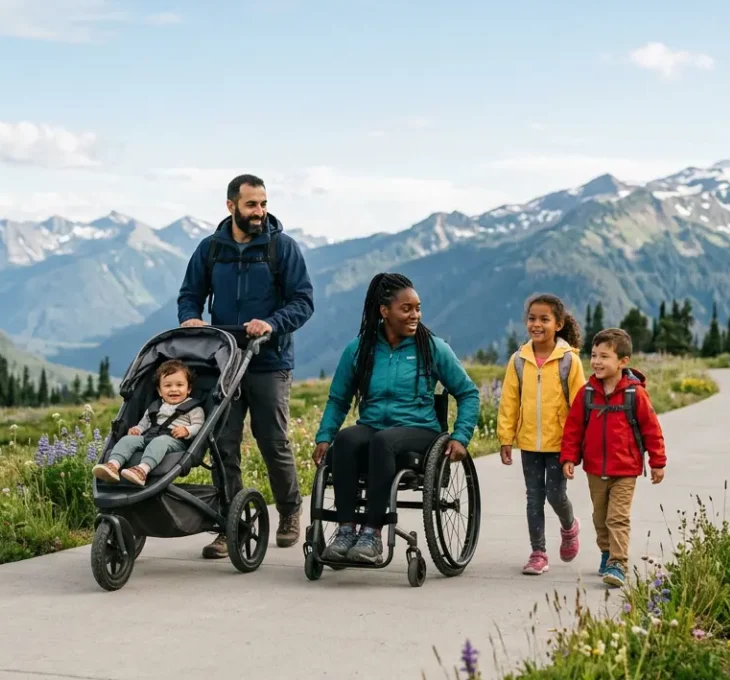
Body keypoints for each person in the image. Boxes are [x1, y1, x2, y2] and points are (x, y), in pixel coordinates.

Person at [177, 173, 315, 558]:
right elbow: (189, 295)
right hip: (223, 360)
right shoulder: (210, 249)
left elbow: (303, 302)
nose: (259, 211)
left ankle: (289, 512)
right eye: (251, 204)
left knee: (273, 440)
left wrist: (271, 324)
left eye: (264, 204)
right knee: (223, 444)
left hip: (269, 360)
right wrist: (190, 318)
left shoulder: (281, 247)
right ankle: (230, 525)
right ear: (231, 206)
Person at [312, 273, 480, 564]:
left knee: (383, 441)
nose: (415, 315)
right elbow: (338, 399)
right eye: (407, 309)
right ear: (384, 311)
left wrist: (460, 437)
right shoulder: (359, 349)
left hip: (420, 430)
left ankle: (372, 534)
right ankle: (346, 531)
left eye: (418, 308)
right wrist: (325, 437)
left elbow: (468, 393)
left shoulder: (432, 347)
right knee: (346, 440)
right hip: (374, 426)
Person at [560, 328, 666, 588]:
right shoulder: (586, 393)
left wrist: (657, 463)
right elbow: (573, 428)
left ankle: (618, 563)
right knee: (600, 517)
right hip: (595, 468)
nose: (596, 361)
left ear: (622, 361)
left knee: (617, 517)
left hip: (625, 470)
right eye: (594, 355)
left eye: (604, 356)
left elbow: (652, 430)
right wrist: (569, 458)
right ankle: (606, 553)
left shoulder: (635, 394)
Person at [497, 293, 587, 576]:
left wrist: (576, 446)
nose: (536, 324)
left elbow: (580, 406)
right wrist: (505, 437)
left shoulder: (569, 361)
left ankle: (569, 526)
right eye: (532, 318)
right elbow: (509, 401)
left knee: (556, 495)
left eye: (544, 319)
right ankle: (538, 552)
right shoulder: (518, 360)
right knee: (533, 498)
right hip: (529, 443)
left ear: (558, 324)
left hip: (560, 443)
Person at [92, 360, 205, 486]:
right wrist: (137, 430)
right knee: (127, 440)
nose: (174, 389)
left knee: (160, 441)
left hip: (174, 441)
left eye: (179, 385)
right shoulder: (154, 407)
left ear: (188, 389)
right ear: (160, 391)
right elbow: (144, 424)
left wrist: (187, 430)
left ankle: (142, 470)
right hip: (149, 436)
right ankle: (113, 465)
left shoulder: (194, 409)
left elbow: (200, 426)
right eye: (168, 386)